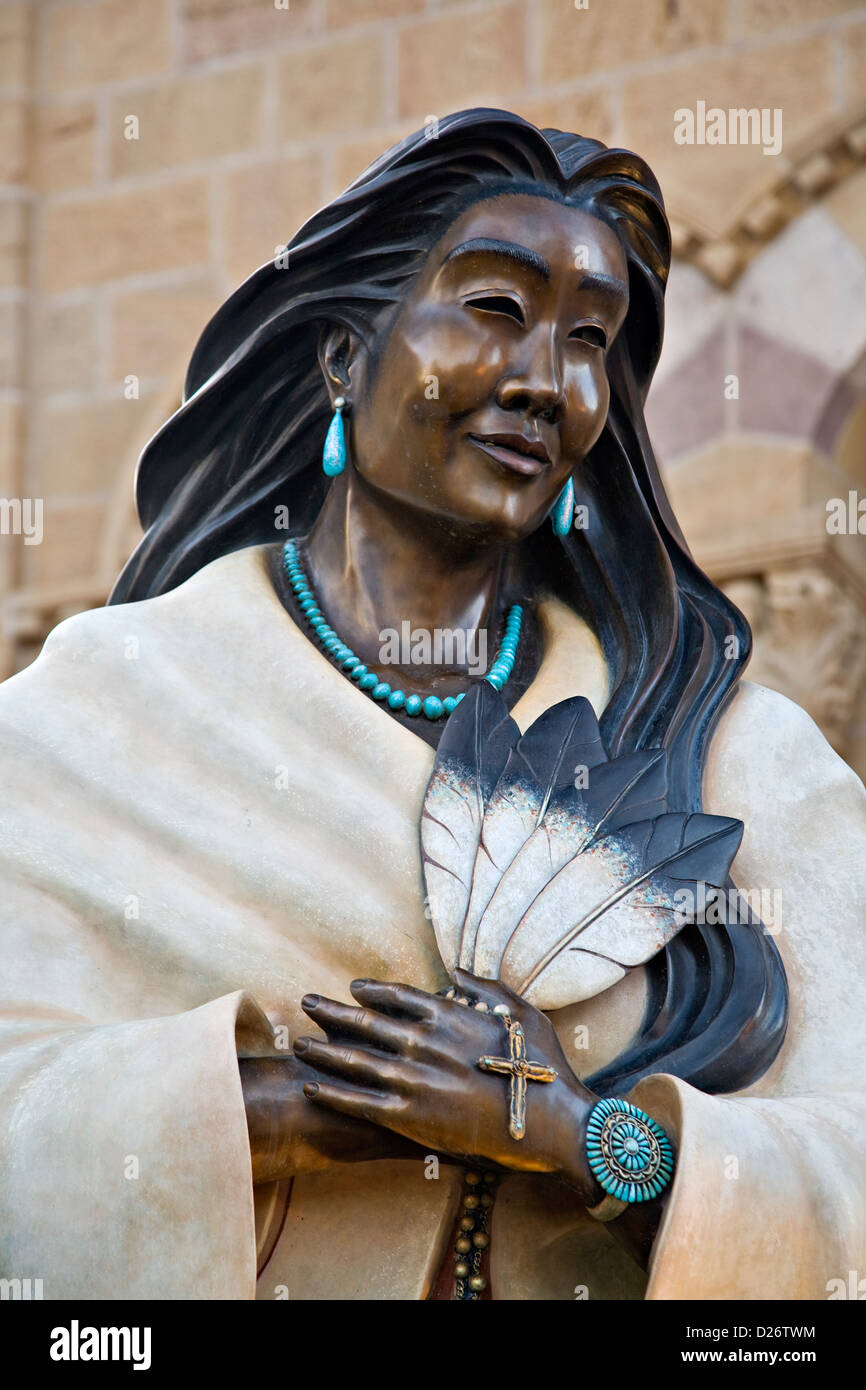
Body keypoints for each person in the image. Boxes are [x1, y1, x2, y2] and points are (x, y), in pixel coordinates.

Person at [0, 109, 863, 1301]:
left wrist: (570, 1136)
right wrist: (303, 1106)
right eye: (494, 309)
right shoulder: (99, 716)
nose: (541, 382)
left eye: (590, 341)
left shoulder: (739, 758)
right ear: (344, 356)